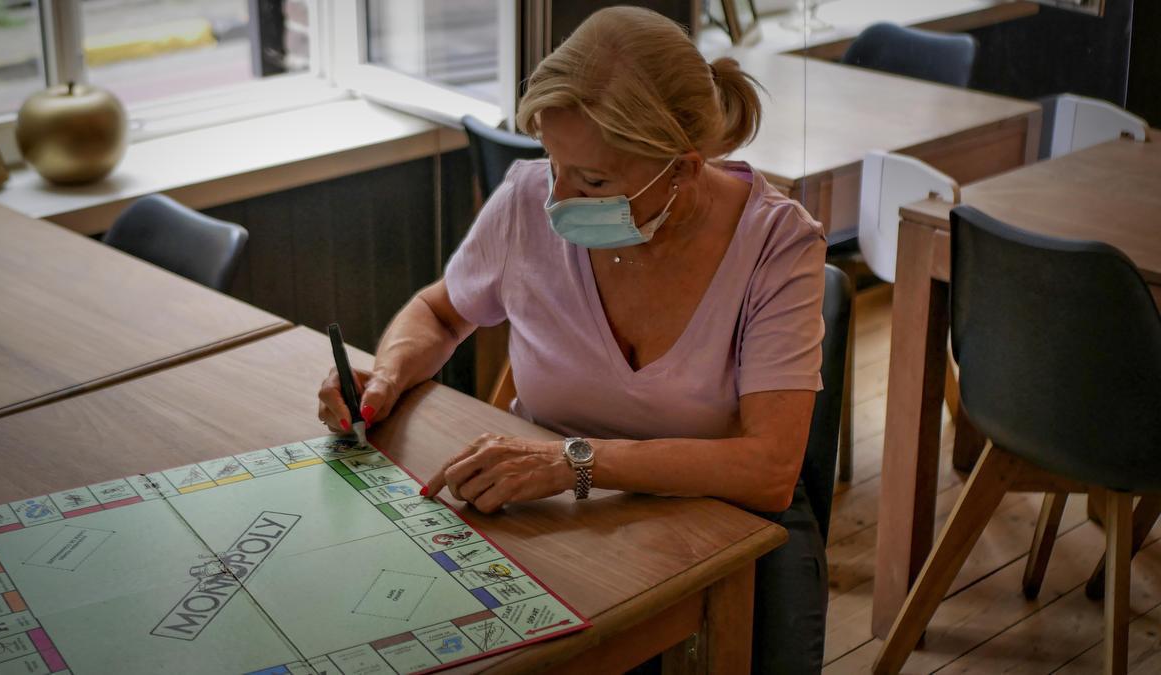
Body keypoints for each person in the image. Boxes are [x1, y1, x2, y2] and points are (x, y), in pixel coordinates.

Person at [318, 6, 827, 672]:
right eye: (552, 161)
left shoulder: (778, 244)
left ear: (681, 168)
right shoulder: (527, 200)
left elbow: (770, 469)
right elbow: (441, 314)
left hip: (711, 537)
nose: (555, 199)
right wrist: (386, 375)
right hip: (553, 519)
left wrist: (575, 461)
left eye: (592, 181)